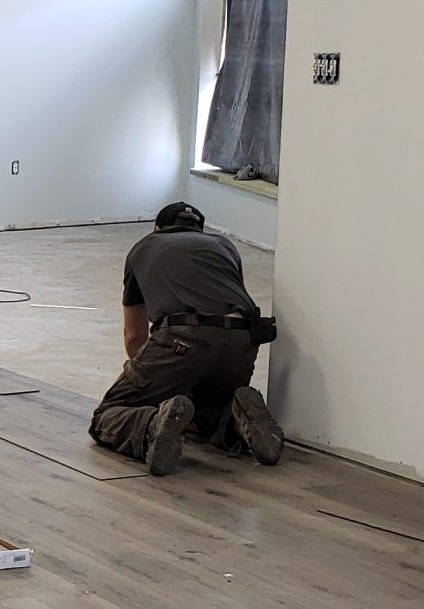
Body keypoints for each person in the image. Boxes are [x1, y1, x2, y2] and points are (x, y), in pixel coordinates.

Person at [90, 200, 283, 476]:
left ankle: (152, 426)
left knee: (107, 415)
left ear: (157, 228)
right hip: (243, 340)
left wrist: (148, 379)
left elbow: (134, 335)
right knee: (204, 410)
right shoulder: (224, 247)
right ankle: (237, 422)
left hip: (183, 338)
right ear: (200, 230)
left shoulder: (144, 247)